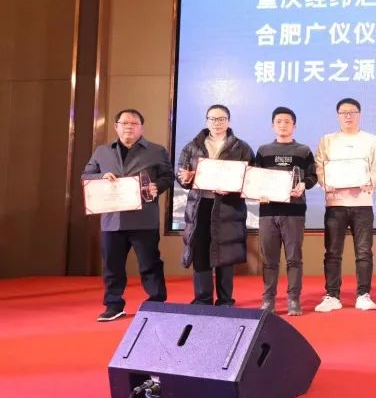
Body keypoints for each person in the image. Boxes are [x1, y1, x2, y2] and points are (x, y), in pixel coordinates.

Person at [82, 109, 173, 321]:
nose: (129, 127)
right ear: (116, 127)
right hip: (112, 219)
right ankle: (113, 305)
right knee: (112, 266)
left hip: (144, 219)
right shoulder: (102, 151)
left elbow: (168, 177)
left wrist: (157, 187)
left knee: (150, 263)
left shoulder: (156, 151)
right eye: (124, 123)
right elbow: (86, 175)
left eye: (134, 123)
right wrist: (101, 177)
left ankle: (157, 302)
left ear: (142, 127)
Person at [176, 104, 254, 307]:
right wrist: (185, 178)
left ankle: (225, 299)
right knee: (200, 251)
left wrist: (232, 189)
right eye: (212, 119)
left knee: (225, 253)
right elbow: (181, 174)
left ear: (229, 121)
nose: (217, 123)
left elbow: (250, 178)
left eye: (221, 119)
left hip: (229, 206)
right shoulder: (192, 146)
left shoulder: (241, 147)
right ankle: (203, 299)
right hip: (200, 205)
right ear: (206, 121)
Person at [313, 98, 376, 312]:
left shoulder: (370, 140)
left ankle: (363, 294)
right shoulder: (327, 140)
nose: (348, 116)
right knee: (332, 252)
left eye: (352, 112)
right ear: (338, 116)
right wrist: (325, 182)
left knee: (363, 252)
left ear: (359, 115)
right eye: (343, 112)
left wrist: (370, 181)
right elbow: (319, 166)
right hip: (335, 204)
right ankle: (332, 295)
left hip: (362, 203)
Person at [253, 107, 317, 316]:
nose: (283, 125)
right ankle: (268, 300)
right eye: (279, 121)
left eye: (287, 121)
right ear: (273, 125)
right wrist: (258, 193)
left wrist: (303, 185)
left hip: (294, 211)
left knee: (294, 258)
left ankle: (293, 299)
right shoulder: (263, 151)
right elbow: (255, 178)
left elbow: (313, 176)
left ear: (294, 126)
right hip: (268, 211)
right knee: (269, 260)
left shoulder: (303, 150)